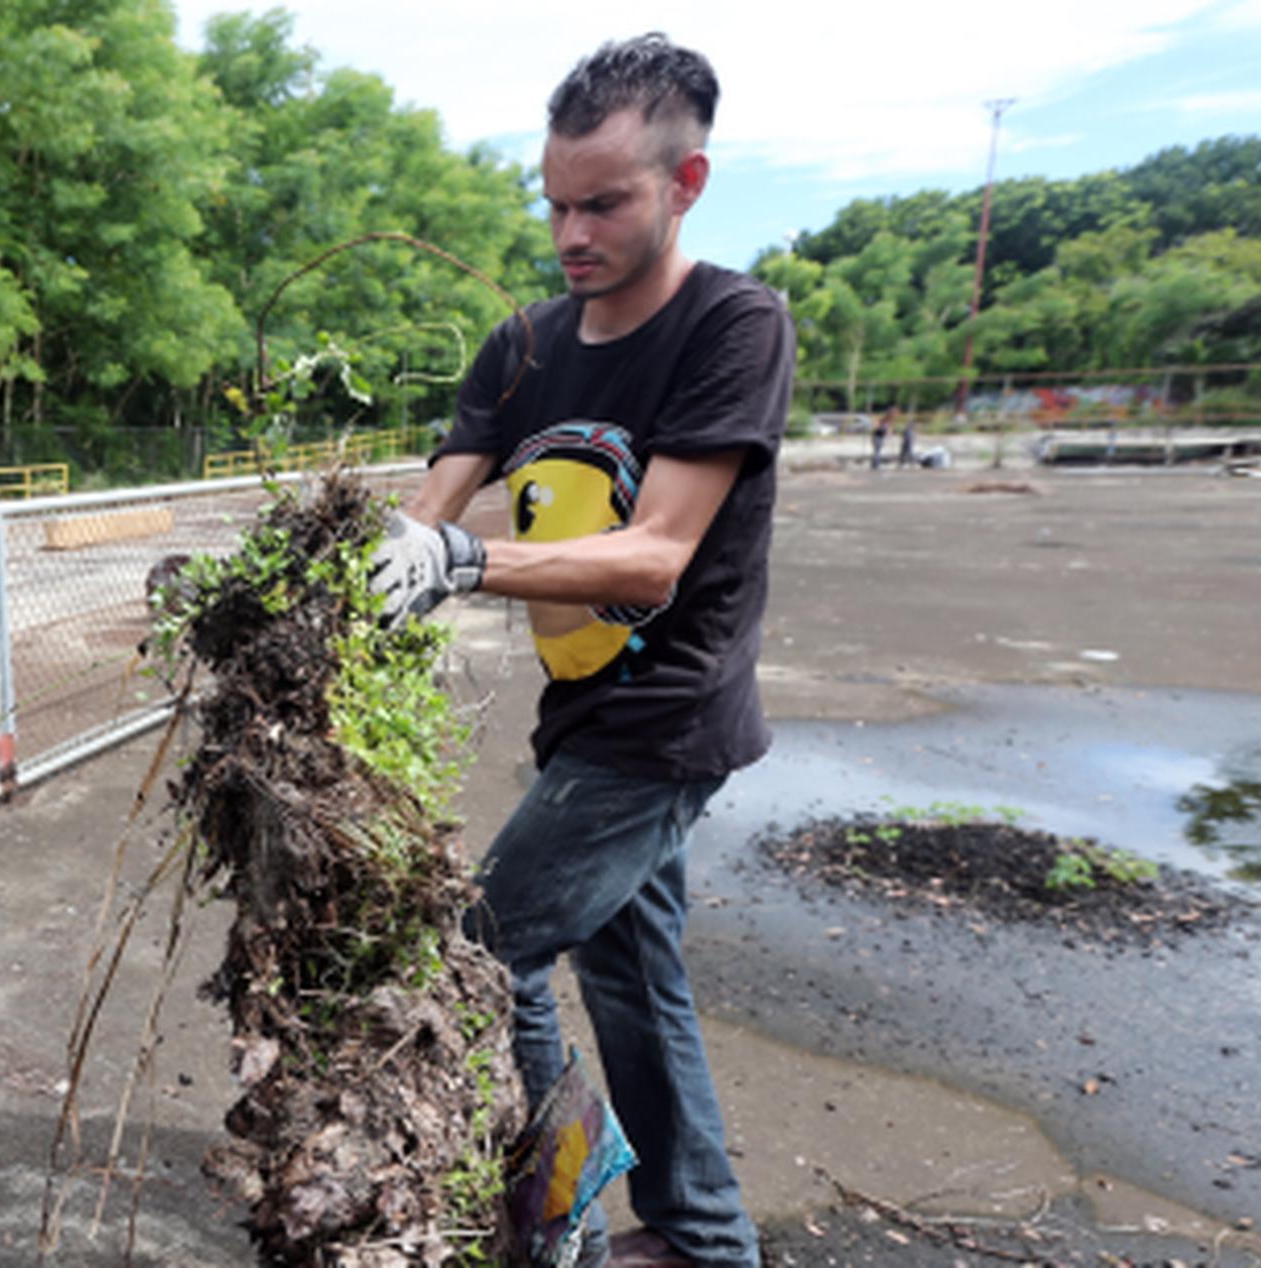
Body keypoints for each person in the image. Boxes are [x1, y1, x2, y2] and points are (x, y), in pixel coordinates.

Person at [370, 34, 788, 1268]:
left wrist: (460, 567)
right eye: (554, 201)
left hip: (666, 719)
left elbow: (655, 552)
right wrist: (360, 560)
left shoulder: (733, 326)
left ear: (686, 183)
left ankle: (554, 1239)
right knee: (634, 977)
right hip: (579, 716)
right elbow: (434, 500)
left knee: (483, 947)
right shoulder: (525, 345)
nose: (570, 230)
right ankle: (705, 1237)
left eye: (603, 201)